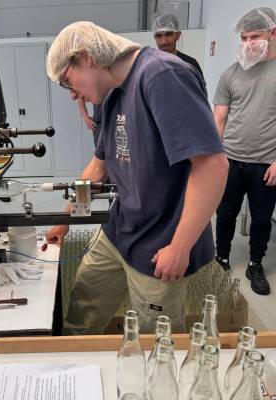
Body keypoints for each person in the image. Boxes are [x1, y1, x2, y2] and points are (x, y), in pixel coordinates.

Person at [45, 21, 228, 334]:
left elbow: (212, 165)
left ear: (86, 58)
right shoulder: (113, 92)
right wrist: (67, 220)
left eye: (68, 81)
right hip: (119, 231)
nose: (73, 93)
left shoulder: (162, 76)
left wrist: (180, 248)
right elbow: (98, 168)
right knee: (81, 313)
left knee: (156, 341)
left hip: (161, 242)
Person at [213, 7, 276, 296]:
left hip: (267, 163)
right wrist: (216, 159)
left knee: (262, 219)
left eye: (255, 36)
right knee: (226, 213)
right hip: (231, 160)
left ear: (272, 34)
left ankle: (255, 263)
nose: (249, 43)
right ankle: (221, 258)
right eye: (244, 37)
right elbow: (219, 121)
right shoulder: (230, 74)